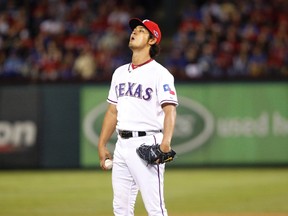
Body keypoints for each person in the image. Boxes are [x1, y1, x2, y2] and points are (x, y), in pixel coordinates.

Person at [98, 18, 178, 216]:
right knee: (121, 208)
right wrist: (102, 144)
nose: (134, 32)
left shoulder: (160, 74)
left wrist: (165, 143)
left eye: (141, 30)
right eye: (134, 30)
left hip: (148, 142)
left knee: (155, 208)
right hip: (122, 145)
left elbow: (170, 110)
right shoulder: (119, 73)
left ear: (152, 40)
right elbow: (112, 112)